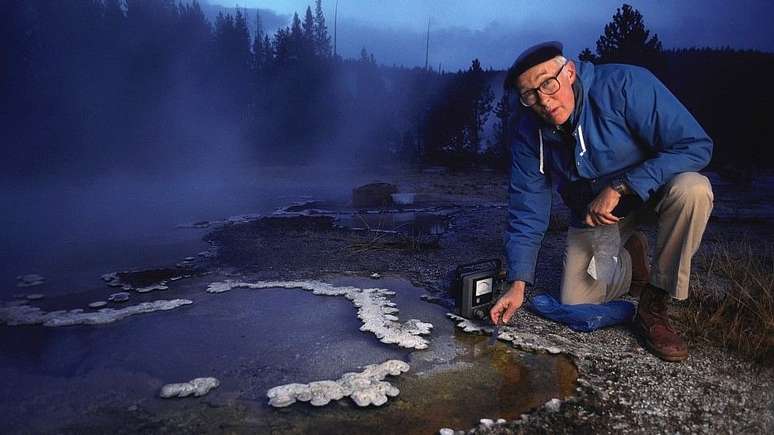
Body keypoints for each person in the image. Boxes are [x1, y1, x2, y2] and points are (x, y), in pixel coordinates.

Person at [489, 41, 713, 362]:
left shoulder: (625, 85)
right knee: (577, 303)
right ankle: (630, 259)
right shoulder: (528, 131)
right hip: (596, 216)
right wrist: (518, 283)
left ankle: (655, 302)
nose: (543, 100)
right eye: (530, 95)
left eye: (548, 83)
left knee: (694, 189)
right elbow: (527, 206)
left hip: (653, 194)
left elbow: (695, 145)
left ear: (569, 72)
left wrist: (622, 186)